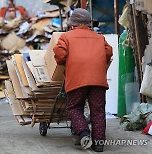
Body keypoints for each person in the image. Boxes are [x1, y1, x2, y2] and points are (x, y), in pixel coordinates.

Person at [53, 8, 113, 152]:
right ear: (88, 23)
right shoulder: (99, 37)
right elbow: (108, 52)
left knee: (74, 107)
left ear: (72, 23)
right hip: (98, 80)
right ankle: (99, 144)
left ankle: (84, 132)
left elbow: (60, 56)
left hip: (76, 79)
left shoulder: (66, 37)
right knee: (98, 110)